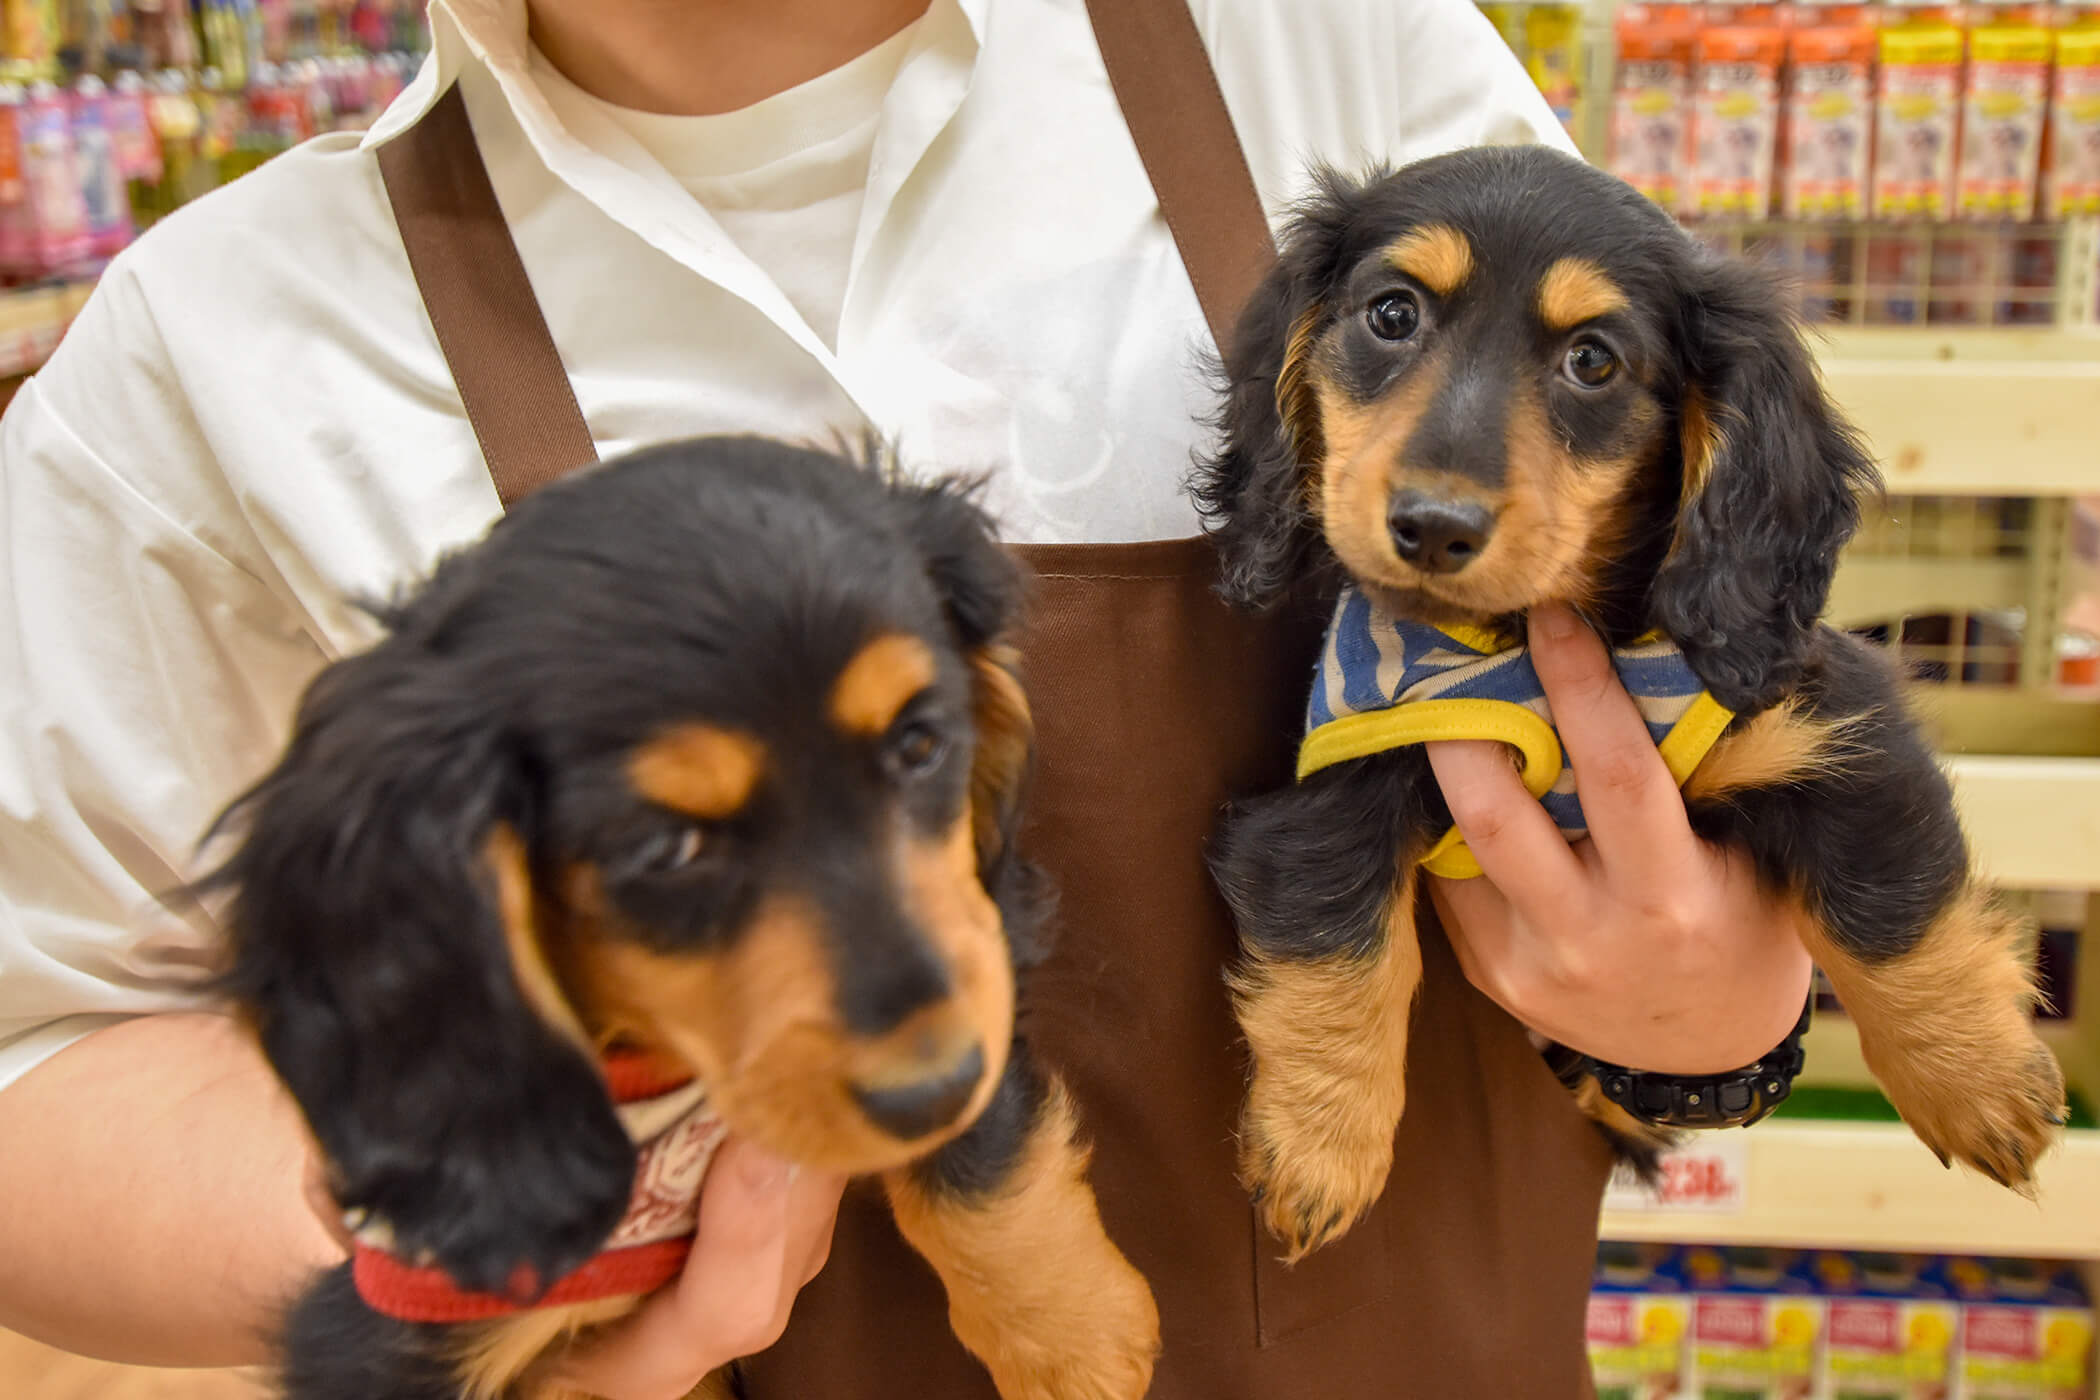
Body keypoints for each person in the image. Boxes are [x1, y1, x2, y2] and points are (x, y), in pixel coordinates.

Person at [0, 1, 1814, 1396]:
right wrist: (463, 1256)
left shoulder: (1327, 56)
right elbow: (34, 1055)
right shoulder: (207, 346)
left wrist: (1725, 990)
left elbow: (1697, 647)